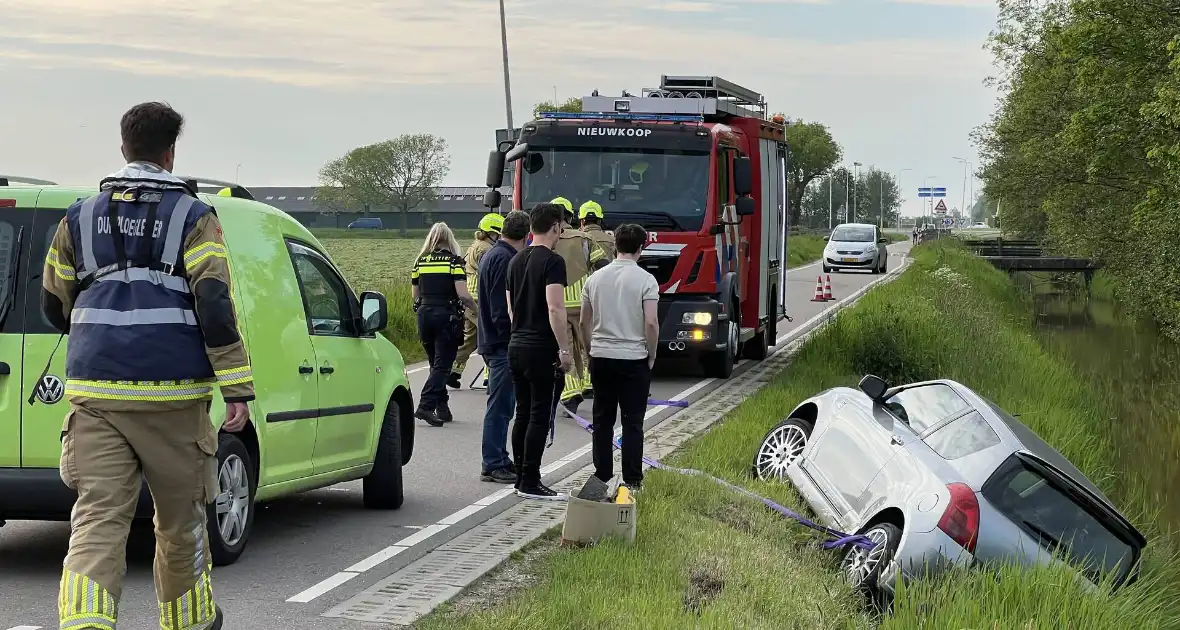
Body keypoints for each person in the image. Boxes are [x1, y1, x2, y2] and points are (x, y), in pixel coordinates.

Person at [41, 101, 253, 630]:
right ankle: (190, 623)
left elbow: (52, 304)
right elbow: (214, 304)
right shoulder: (195, 216)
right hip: (173, 399)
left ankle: (86, 624)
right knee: (180, 525)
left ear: (122, 147)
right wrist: (236, 386)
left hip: (97, 395)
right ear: (170, 152)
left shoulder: (79, 216)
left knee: (96, 522)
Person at [581, 224, 660, 492]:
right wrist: (652, 354)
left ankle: (602, 476)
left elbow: (584, 321)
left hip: (601, 356)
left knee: (602, 421)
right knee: (632, 421)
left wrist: (591, 348)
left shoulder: (595, 279)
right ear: (641, 248)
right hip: (633, 358)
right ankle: (632, 480)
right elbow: (651, 323)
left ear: (615, 246)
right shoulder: (646, 280)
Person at [506, 203, 573, 500]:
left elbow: (511, 308)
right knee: (539, 414)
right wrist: (564, 349)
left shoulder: (516, 260)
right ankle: (531, 480)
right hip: (541, 346)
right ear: (556, 227)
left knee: (522, 412)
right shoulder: (553, 262)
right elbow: (555, 308)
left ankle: (520, 474)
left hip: (516, 343)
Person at [476, 210, 530, 484]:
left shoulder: (494, 254)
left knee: (505, 404)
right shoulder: (505, 259)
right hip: (501, 344)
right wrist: (512, 339)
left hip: (493, 341)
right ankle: (493, 462)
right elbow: (500, 308)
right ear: (526, 234)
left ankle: (499, 456)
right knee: (499, 406)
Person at [411, 222, 476, 427]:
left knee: (434, 363)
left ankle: (443, 408)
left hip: (424, 316)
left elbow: (416, 295)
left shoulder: (420, 262)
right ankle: (426, 405)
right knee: (443, 365)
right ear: (450, 239)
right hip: (446, 317)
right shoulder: (454, 262)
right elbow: (463, 295)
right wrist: (478, 311)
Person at [549, 196, 606, 416]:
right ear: (571, 217)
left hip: (558, 305)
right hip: (584, 305)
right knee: (588, 347)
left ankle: (571, 393)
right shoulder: (584, 238)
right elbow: (602, 266)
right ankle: (593, 384)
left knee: (565, 349)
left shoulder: (546, 240)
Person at [449, 213, 504, 390]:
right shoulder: (487, 249)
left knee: (471, 339)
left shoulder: (474, 246)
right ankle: (495, 374)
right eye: (498, 234)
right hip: (479, 299)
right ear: (492, 233)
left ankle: (453, 372)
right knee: (490, 336)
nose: (500, 237)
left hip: (470, 297)